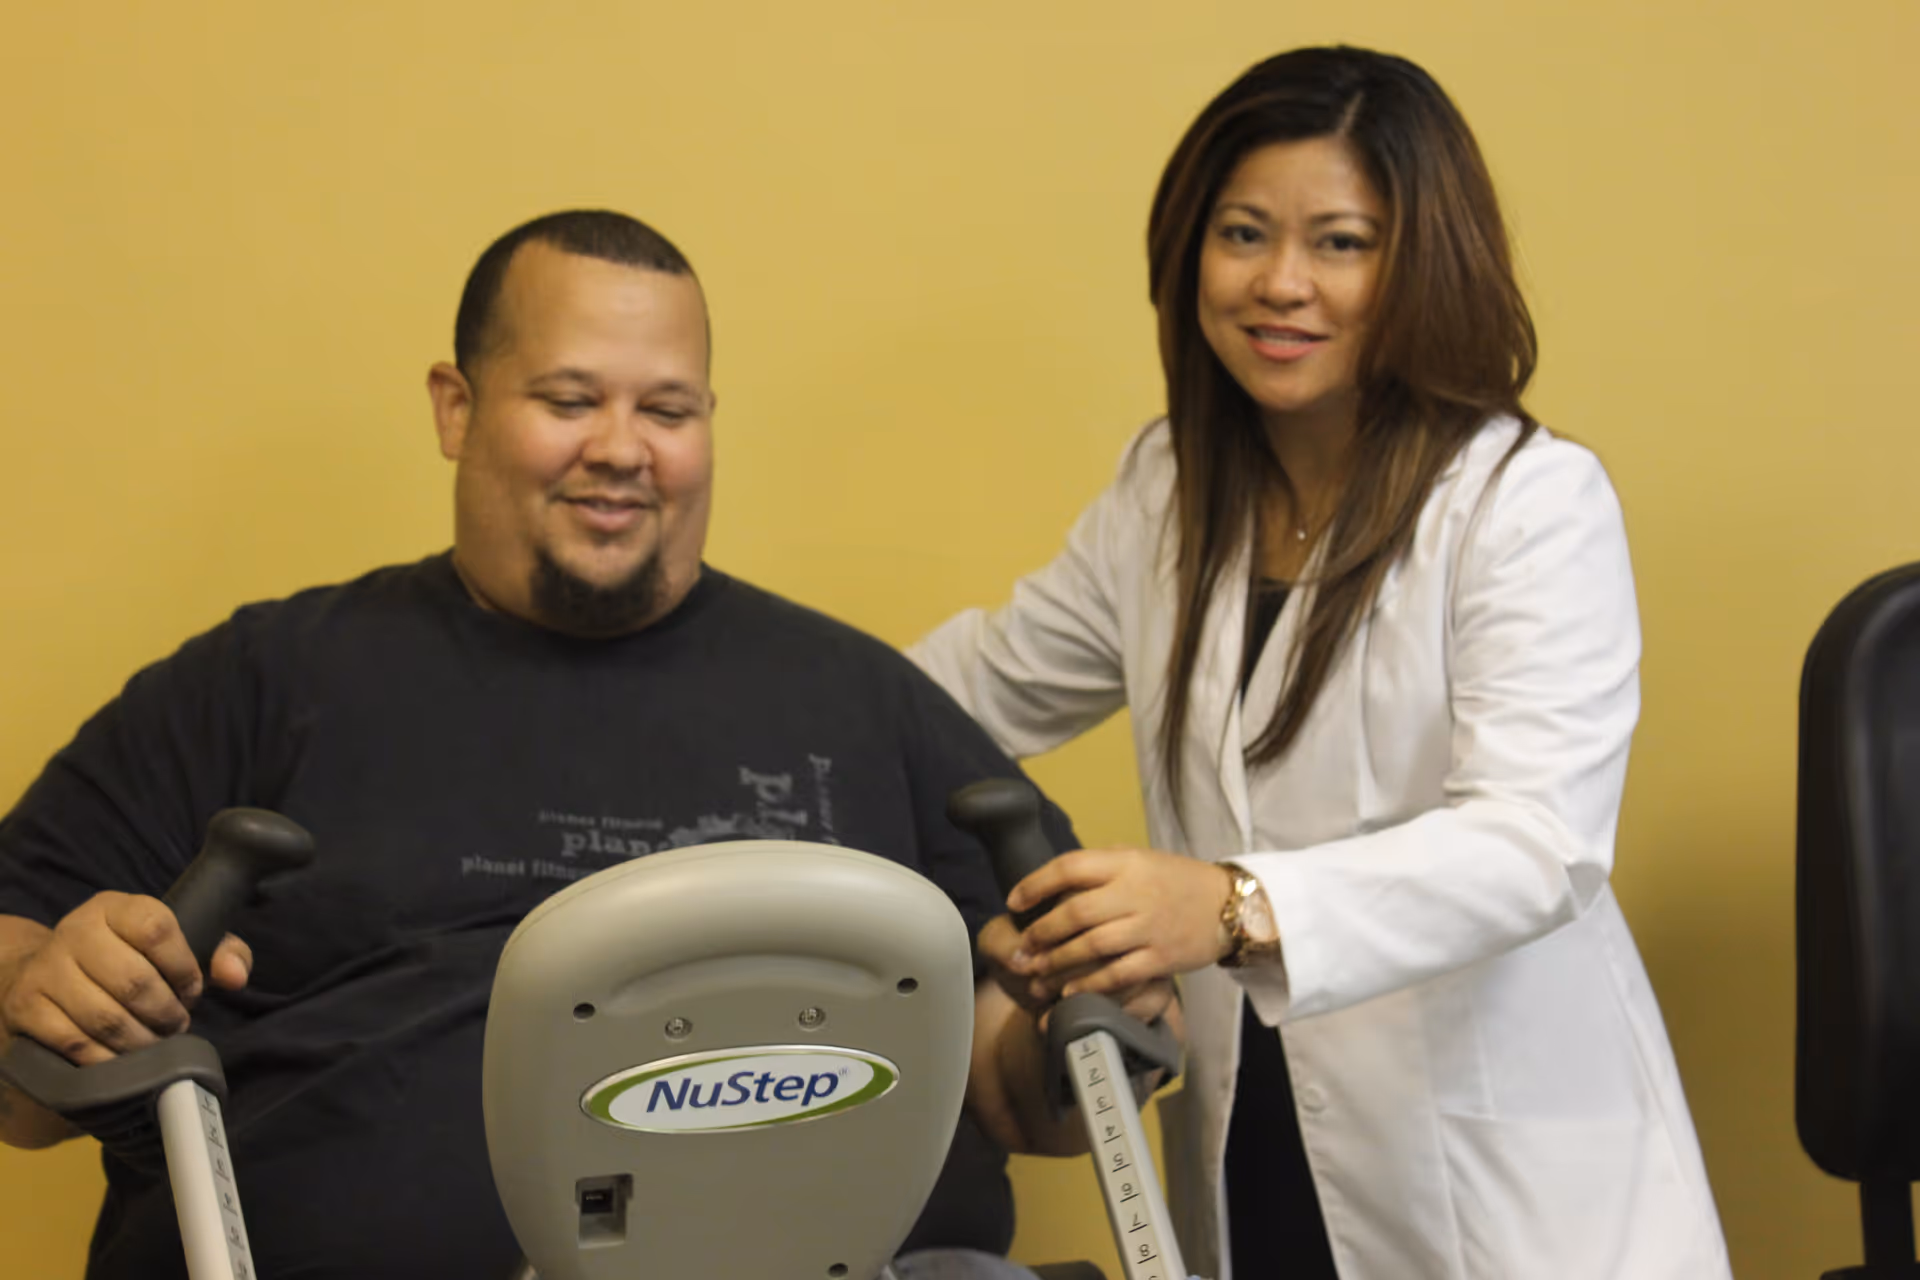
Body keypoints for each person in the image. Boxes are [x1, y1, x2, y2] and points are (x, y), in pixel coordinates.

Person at [0, 210, 1162, 1280]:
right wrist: (42, 984)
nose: (623, 448)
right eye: (568, 400)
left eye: (668, 410)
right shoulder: (263, 679)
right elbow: (26, 1070)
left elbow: (1036, 1097)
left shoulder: (870, 700)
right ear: (456, 406)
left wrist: (1093, 1019)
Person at [910, 46, 1732, 1280]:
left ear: (1421, 261)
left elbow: (1536, 841)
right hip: (1259, 1153)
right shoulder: (1170, 492)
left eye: (1341, 242)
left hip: (1499, 1197)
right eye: (1244, 232)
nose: (1282, 283)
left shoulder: (1523, 502)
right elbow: (968, 689)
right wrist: (741, 695)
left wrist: (1228, 906)